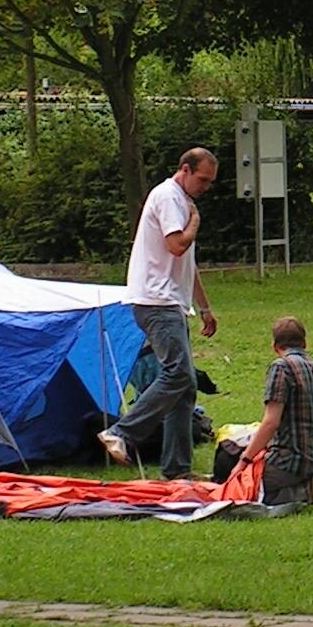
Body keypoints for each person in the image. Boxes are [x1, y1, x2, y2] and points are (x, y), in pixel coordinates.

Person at [101, 147, 220, 480]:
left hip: (172, 303)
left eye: (210, 182)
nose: (205, 188)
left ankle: (177, 470)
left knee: (185, 391)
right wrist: (195, 221)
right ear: (184, 169)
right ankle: (122, 433)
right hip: (155, 300)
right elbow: (177, 245)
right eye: (202, 180)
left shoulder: (182, 201)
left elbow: (187, 264)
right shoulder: (169, 197)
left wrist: (205, 308)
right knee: (179, 374)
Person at [231, 316, 313, 506]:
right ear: (304, 343)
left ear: (275, 346)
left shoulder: (281, 368)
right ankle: (311, 484)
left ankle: (296, 493)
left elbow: (270, 423)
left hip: (287, 463)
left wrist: (244, 461)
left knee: (229, 459)